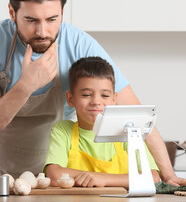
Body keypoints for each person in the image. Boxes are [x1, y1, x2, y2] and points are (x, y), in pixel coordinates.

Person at [0, 0, 186, 190]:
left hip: (50, 176)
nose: (42, 31)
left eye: (52, 19)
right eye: (31, 20)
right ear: (12, 13)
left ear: (63, 12)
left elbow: (135, 116)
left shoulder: (78, 44)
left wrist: (168, 174)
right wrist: (26, 85)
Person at [44, 57, 160, 188]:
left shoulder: (128, 132)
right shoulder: (63, 130)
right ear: (70, 99)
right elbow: (54, 175)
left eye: (104, 95)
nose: (96, 102)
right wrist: (94, 178)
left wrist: (103, 179)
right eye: (87, 94)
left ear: (114, 99)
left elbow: (153, 177)